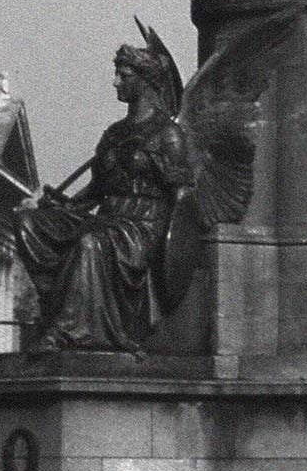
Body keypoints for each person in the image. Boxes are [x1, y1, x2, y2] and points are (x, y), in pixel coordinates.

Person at [15, 36, 195, 353]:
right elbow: (95, 193)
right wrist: (64, 205)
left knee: (89, 244)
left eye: (124, 76)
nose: (115, 83)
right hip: (107, 219)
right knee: (29, 223)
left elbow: (182, 203)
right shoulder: (113, 134)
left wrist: (168, 254)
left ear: (145, 81)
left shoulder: (168, 135)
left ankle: (70, 331)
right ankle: (56, 305)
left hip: (140, 228)